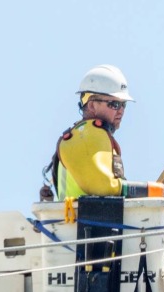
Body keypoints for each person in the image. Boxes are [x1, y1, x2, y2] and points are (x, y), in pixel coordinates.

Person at [42, 64, 135, 202]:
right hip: (85, 216)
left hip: (85, 215)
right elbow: (104, 187)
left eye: (123, 105)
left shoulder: (90, 137)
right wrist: (156, 190)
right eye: (114, 104)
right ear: (91, 105)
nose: (121, 111)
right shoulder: (85, 136)